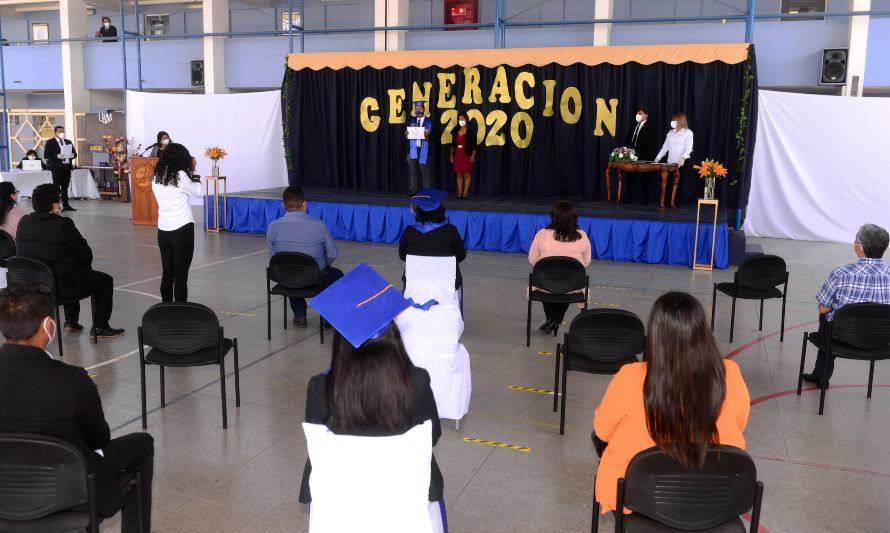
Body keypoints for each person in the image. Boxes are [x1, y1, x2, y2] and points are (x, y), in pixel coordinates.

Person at [300, 264, 446, 532]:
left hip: (339, 506)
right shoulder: (416, 381)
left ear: (341, 341)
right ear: (393, 337)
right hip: (408, 501)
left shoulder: (320, 387)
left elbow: (316, 446)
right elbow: (432, 435)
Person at [0, 283, 153, 532]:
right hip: (70, 493)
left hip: (5, 492)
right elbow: (99, 439)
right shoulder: (72, 380)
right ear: (49, 325)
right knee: (142, 445)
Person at [593, 292, 750, 515]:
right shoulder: (730, 374)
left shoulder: (630, 377)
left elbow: (602, 431)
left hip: (639, 497)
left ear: (655, 336)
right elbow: (739, 424)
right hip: (716, 495)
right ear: (703, 333)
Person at [15, 184, 124, 337]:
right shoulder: (63, 224)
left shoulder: (24, 222)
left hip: (31, 286)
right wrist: (84, 267)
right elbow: (85, 253)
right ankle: (100, 327)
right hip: (59, 287)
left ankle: (71, 321)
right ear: (55, 205)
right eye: (59, 201)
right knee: (104, 281)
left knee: (64, 267)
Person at [802, 223, 890, 388]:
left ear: (860, 248)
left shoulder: (841, 273)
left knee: (826, 317)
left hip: (842, 337)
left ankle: (821, 375)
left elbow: (823, 308)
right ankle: (820, 374)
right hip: (881, 339)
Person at [266, 186, 343, 328]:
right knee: (337, 275)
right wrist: (321, 266)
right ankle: (328, 318)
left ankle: (299, 315)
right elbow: (332, 255)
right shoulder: (319, 225)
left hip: (286, 279)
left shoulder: (272, 227)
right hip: (314, 279)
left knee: (290, 268)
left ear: (283, 205)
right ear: (305, 204)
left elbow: (274, 258)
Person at [528, 200, 592, 335]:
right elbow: (586, 262)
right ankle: (555, 321)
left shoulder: (542, 234)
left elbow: (532, 260)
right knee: (565, 284)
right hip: (572, 286)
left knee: (548, 282)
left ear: (553, 217)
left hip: (544, 284)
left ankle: (552, 320)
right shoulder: (582, 236)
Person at [152, 143, 203, 303]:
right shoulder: (180, 175)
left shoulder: (157, 176)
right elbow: (199, 192)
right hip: (182, 229)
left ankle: (166, 310)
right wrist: (193, 171)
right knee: (181, 277)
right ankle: (180, 315)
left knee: (167, 274)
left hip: (163, 230)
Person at [399, 188, 466, 290]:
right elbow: (461, 255)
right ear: (441, 211)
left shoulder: (409, 231)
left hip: (415, 283)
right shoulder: (450, 231)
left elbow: (403, 256)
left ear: (419, 212)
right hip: (447, 284)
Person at [622, 107, 658, 204]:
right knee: (630, 177)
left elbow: (648, 142)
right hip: (632, 156)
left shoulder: (650, 126)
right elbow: (628, 138)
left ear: (646, 115)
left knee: (645, 178)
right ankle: (627, 198)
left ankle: (645, 200)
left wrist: (636, 151)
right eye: (637, 113)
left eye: (640, 113)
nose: (638, 115)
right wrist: (627, 149)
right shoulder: (634, 125)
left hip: (644, 156)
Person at [43, 125, 77, 212]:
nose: (62, 133)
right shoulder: (50, 142)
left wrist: (73, 155)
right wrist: (57, 156)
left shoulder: (68, 141)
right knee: (56, 187)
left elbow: (74, 154)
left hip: (67, 167)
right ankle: (56, 205)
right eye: (60, 132)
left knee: (65, 188)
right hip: (56, 168)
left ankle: (66, 205)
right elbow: (46, 155)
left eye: (63, 132)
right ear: (55, 133)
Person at [406, 100, 433, 195]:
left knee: (424, 172)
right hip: (413, 149)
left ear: (424, 109)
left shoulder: (428, 121)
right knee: (413, 172)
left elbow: (427, 134)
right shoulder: (412, 120)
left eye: (420, 109)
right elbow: (407, 133)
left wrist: (422, 133)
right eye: (416, 109)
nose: (418, 111)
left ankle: (426, 191)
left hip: (423, 149)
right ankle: (413, 190)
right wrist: (407, 133)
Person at [450, 113, 477, 199]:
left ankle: (465, 193)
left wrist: (473, 155)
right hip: (457, 155)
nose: (461, 121)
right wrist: (451, 155)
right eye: (459, 119)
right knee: (459, 174)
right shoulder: (455, 130)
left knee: (467, 174)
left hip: (467, 155)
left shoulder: (471, 130)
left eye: (462, 119)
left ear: (466, 120)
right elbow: (453, 144)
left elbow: (474, 145)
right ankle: (460, 192)